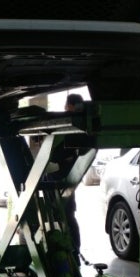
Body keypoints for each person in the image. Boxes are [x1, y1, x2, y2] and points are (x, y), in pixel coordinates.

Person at [46, 93, 84, 267]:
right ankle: (73, 251)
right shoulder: (77, 125)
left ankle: (72, 251)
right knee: (67, 215)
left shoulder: (70, 124)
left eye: (67, 106)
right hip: (66, 178)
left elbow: (56, 155)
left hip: (62, 178)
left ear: (70, 106)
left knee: (65, 215)